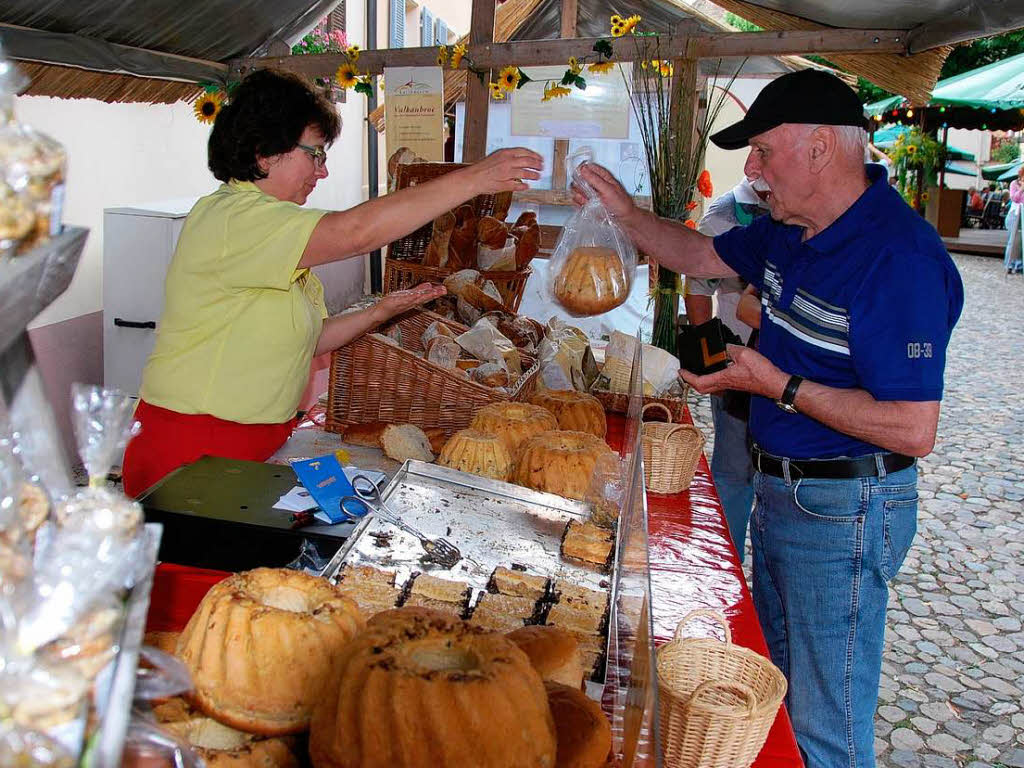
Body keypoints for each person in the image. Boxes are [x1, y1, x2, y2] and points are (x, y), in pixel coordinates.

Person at [573, 69, 963, 768]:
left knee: (824, 726)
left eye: (763, 151)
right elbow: (697, 253)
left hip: (843, 508)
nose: (751, 169)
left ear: (819, 148)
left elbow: (913, 428)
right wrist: (626, 215)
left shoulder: (897, 256)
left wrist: (775, 385)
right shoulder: (790, 228)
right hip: (785, 490)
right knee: (778, 698)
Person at [121, 69, 543, 497]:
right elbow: (357, 232)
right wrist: (473, 179)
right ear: (265, 153)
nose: (321, 172)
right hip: (190, 450)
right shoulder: (232, 217)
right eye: (315, 154)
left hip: (247, 447)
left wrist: (381, 311)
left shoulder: (273, 230)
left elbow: (312, 339)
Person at [682, 177, 769, 562]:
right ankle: (725, 560)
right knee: (734, 469)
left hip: (788, 367)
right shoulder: (727, 213)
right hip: (738, 358)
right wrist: (708, 354)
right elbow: (698, 284)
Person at [1004, 165, 1024, 273]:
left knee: (1022, 241)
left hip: (1023, 215)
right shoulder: (1014, 184)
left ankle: (1019, 265)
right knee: (1013, 241)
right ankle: (1009, 264)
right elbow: (1015, 199)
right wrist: (1021, 189)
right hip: (1014, 215)